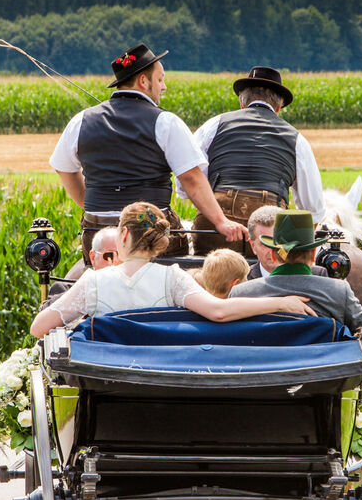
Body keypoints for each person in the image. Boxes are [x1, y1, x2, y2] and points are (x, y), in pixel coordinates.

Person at [49, 42, 247, 264]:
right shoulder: (165, 122)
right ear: (143, 81)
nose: (163, 87)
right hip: (148, 236)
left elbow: (64, 169)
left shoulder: (81, 120)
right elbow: (191, 178)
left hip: (97, 234)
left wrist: (93, 206)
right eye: (160, 79)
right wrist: (220, 221)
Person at [30, 202, 312, 338]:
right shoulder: (172, 278)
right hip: (159, 381)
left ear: (124, 235)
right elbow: (219, 311)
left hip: (104, 382)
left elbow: (39, 328)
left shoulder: (93, 282)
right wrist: (280, 302)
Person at [186, 66, 325, 256]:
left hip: (216, 225)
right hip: (270, 230)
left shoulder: (214, 124)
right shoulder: (297, 139)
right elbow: (312, 209)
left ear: (242, 103)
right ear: (278, 108)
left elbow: (187, 179)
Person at [230, 210, 362, 354]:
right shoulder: (338, 292)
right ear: (314, 254)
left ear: (273, 255)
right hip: (322, 383)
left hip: (260, 381)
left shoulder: (241, 293)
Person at [246, 205, 327, 280]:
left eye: (278, 243)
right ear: (253, 246)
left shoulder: (318, 275)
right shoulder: (244, 278)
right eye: (264, 244)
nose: (272, 251)